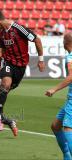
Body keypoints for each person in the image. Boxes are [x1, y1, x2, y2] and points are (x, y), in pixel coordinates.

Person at [0, 9, 45, 131]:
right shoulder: (2, 34)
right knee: (5, 84)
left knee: (5, 91)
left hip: (21, 67)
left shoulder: (19, 28)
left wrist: (41, 60)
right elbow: (0, 52)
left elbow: (37, 40)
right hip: (8, 63)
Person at [45, 32, 72, 160]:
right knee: (55, 125)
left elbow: (71, 77)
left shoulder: (70, 57)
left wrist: (54, 89)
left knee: (68, 129)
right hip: (69, 101)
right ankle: (67, 155)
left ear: (66, 43)